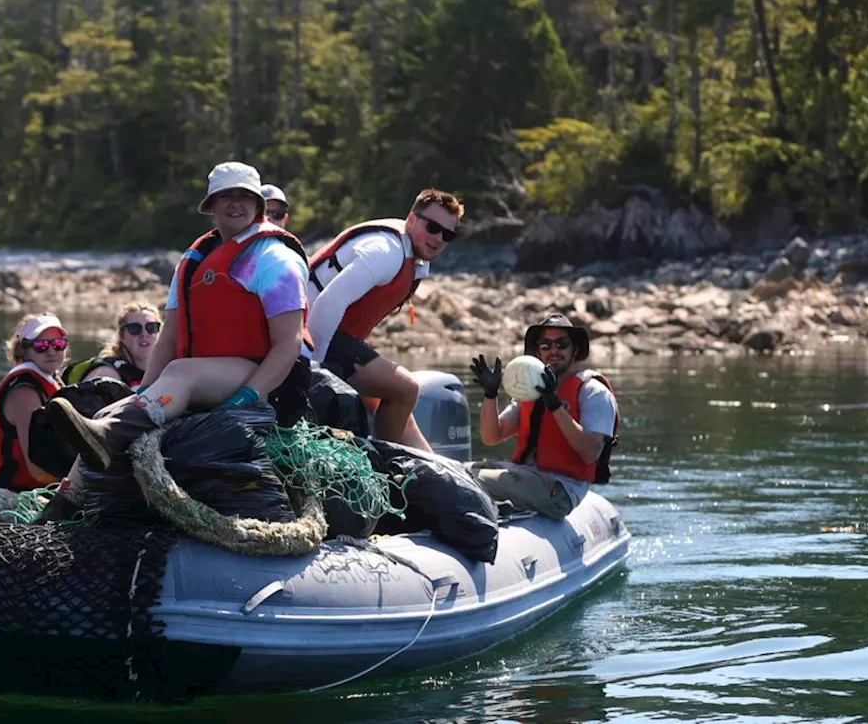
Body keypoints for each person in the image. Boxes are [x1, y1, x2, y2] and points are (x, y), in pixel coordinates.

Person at [46, 161, 311, 474]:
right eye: (226, 196)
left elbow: (288, 345)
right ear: (211, 205)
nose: (235, 203)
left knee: (180, 372)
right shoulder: (194, 260)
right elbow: (169, 337)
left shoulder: (275, 259)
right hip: (208, 377)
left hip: (270, 384)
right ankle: (64, 502)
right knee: (110, 415)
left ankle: (110, 432)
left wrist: (248, 397)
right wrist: (141, 393)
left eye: (245, 196)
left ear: (258, 205)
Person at [304, 188, 463, 451]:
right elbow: (328, 302)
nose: (438, 238)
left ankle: (445, 477)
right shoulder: (385, 253)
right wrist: (312, 368)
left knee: (402, 410)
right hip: (312, 333)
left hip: (337, 337)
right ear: (411, 220)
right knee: (406, 389)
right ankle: (387, 470)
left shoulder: (415, 256)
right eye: (432, 227)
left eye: (448, 234)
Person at [467, 314, 620, 520]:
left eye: (561, 344)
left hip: (561, 490)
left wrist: (555, 406)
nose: (554, 350)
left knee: (465, 480)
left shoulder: (593, 392)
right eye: (546, 345)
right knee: (456, 470)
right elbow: (491, 436)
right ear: (538, 351)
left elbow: (590, 452)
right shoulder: (532, 391)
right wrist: (490, 394)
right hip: (524, 477)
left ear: (575, 350)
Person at [0, 313, 69, 491]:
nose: (52, 351)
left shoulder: (52, 380)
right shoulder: (24, 392)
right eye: (41, 346)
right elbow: (36, 469)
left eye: (58, 344)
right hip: (19, 492)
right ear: (23, 350)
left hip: (46, 487)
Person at [65, 302, 161, 388]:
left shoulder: (166, 370)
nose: (144, 334)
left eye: (151, 327)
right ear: (121, 335)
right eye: (134, 328)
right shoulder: (107, 372)